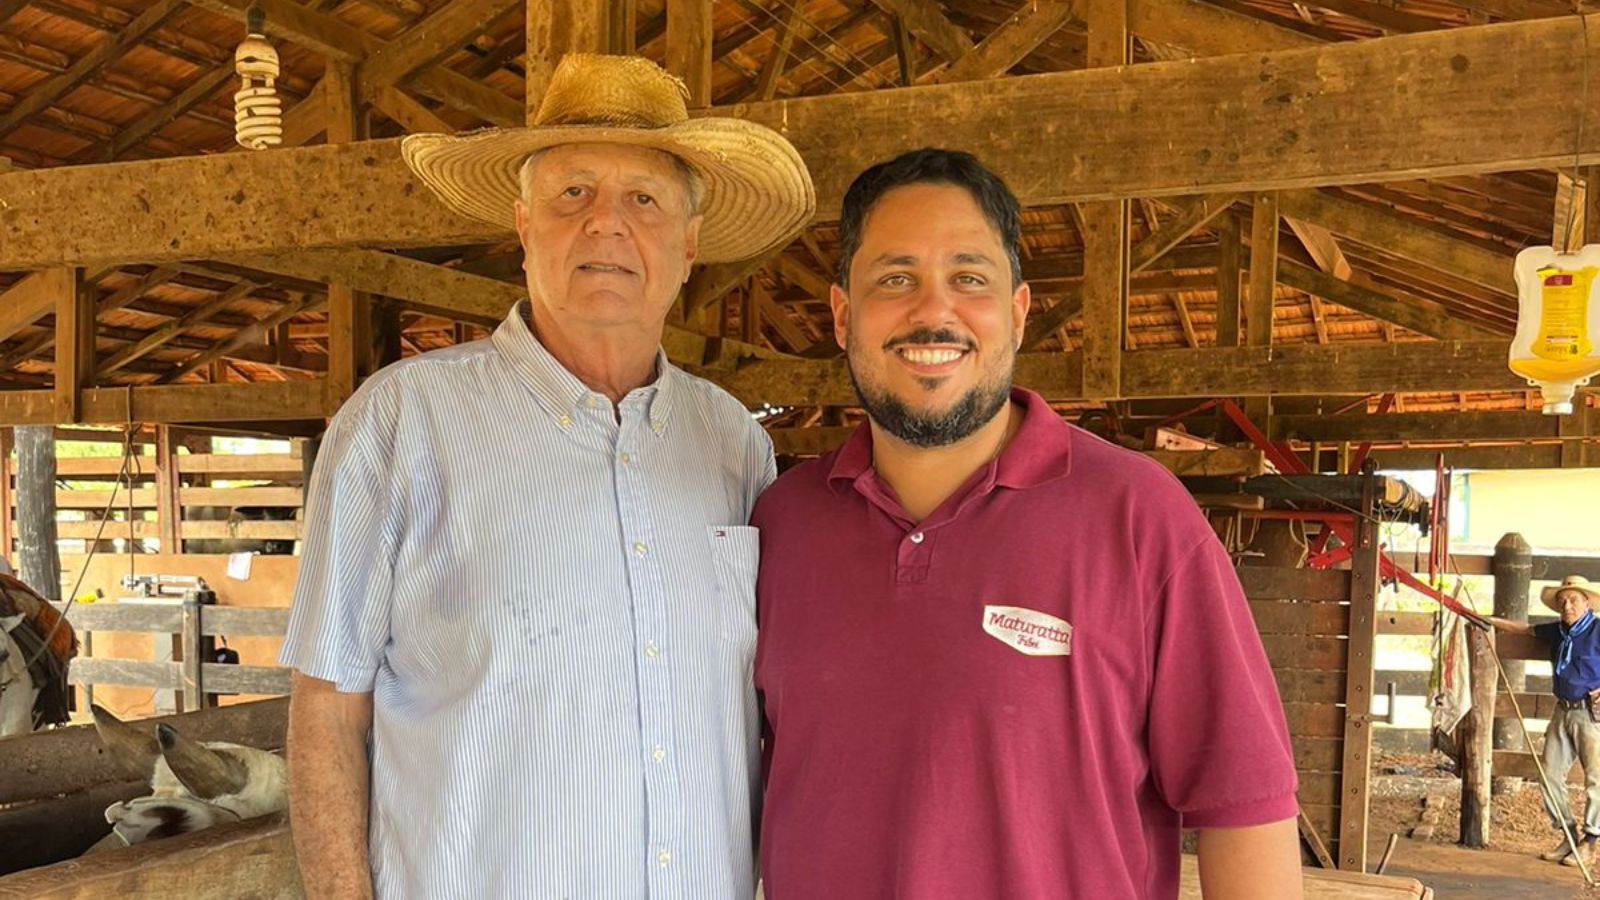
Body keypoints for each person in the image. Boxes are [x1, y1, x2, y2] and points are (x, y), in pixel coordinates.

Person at [279, 54, 814, 899]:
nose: (607, 224)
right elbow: (325, 710)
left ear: (689, 245)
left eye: (645, 198)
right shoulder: (399, 424)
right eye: (574, 193)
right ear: (523, 224)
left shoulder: (732, 443)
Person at [750, 149, 1303, 900]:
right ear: (844, 313)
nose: (933, 310)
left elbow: (1245, 809)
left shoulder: (1139, 516)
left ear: (1016, 310)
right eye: (895, 278)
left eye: (969, 279)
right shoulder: (780, 525)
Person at [1488, 574, 1600, 869]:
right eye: (1562, 601)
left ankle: (1590, 843)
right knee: (1548, 774)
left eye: (1573, 600)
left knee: (1596, 779)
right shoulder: (1558, 632)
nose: (1567, 605)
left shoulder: (1599, 630)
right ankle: (1568, 834)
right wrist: (1489, 621)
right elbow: (1523, 630)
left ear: (1587, 602)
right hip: (1562, 710)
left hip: (1592, 713)